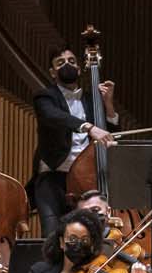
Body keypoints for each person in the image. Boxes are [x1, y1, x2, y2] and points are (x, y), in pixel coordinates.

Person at [30, 47, 119, 237]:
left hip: (84, 181)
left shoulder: (91, 100)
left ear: (79, 69)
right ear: (52, 72)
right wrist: (88, 127)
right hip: (53, 179)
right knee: (53, 237)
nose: (67, 65)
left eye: (71, 61)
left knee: (87, 237)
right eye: (60, 63)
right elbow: (54, 116)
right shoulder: (45, 97)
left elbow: (109, 135)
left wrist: (108, 105)